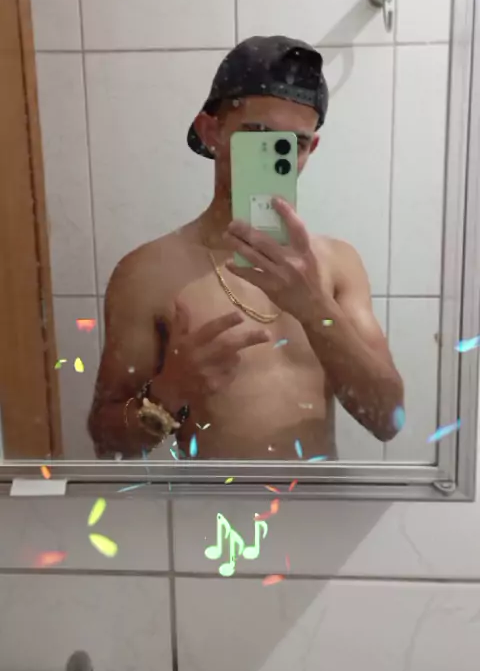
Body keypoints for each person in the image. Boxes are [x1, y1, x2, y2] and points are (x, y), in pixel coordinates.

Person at [88, 35, 404, 460]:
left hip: (322, 504)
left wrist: (316, 309)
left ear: (311, 148)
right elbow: (106, 439)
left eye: (292, 144)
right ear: (212, 132)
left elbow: (388, 420)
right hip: (214, 504)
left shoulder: (338, 266)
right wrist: (166, 394)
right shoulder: (148, 274)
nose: (274, 157)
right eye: (257, 135)